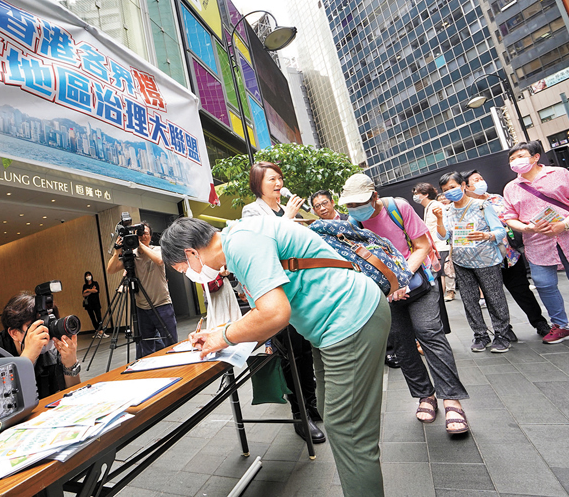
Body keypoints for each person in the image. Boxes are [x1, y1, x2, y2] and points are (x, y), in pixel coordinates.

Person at [160, 217, 390, 497]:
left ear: (191, 253)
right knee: (337, 420)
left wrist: (223, 336)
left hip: (350, 319)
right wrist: (221, 333)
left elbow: (274, 313)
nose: (189, 275)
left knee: (349, 432)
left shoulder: (242, 242)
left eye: (183, 270)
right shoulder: (240, 239)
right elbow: (269, 314)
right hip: (335, 324)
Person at [340, 173, 469, 435]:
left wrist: (400, 279)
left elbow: (421, 246)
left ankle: (452, 399)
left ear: (374, 196)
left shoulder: (398, 207)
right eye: (350, 206)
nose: (355, 210)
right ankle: (425, 395)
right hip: (385, 292)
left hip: (418, 281)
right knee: (401, 342)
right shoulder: (354, 223)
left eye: (360, 203)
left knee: (429, 333)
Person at [241, 162, 324, 445]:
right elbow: (264, 246)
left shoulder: (288, 210)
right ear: (257, 184)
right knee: (289, 353)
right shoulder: (252, 211)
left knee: (304, 351)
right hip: (274, 293)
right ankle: (300, 415)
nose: (278, 183)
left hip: (298, 290)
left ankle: (312, 406)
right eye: (271, 179)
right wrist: (286, 218)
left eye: (279, 178)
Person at [501, 140, 569, 345]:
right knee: (543, 284)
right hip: (537, 242)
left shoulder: (559, 174)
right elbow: (509, 217)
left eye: (520, 156)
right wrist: (527, 228)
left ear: (535, 157)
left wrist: (565, 224)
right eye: (512, 159)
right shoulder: (512, 187)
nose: (516, 162)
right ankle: (562, 326)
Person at [463, 170, 550, 337]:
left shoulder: (497, 198)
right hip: (485, 259)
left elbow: (511, 218)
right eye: (476, 180)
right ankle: (504, 330)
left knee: (522, 291)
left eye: (481, 178)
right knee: (493, 297)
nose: (481, 181)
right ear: (465, 187)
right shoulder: (466, 207)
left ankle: (540, 323)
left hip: (509, 256)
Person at [434, 172, 514, 352]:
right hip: (462, 262)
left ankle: (502, 334)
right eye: (445, 190)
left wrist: (487, 235)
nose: (449, 192)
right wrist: (439, 219)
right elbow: (444, 235)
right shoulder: (446, 210)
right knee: (469, 301)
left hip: (486, 260)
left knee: (495, 298)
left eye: (452, 187)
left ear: (463, 185)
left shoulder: (481, 206)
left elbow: (499, 231)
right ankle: (480, 334)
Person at [0, 292, 80, 398]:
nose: (44, 331)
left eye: (47, 323)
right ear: (14, 333)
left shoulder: (52, 350)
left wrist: (70, 364)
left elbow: (74, 393)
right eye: (37, 326)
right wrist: (28, 358)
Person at [107, 221, 178, 357]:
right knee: (145, 347)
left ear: (150, 236)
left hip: (162, 305)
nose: (142, 236)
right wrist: (117, 253)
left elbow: (160, 261)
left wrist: (138, 244)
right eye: (139, 234)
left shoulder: (157, 249)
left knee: (171, 343)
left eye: (144, 233)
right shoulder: (132, 256)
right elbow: (110, 270)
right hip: (142, 308)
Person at [413, 183, 454, 301]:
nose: (415, 196)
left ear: (425, 194)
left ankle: (448, 293)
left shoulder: (436, 205)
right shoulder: (428, 207)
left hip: (441, 244)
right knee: (440, 273)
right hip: (434, 245)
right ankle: (442, 295)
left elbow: (444, 225)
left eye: (417, 193)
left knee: (443, 272)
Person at [82, 271, 107, 338]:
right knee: (92, 318)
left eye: (89, 275)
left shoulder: (95, 283)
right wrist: (91, 290)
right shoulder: (85, 286)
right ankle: (97, 331)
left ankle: (101, 331)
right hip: (88, 304)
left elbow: (96, 291)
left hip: (96, 303)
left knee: (99, 317)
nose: (88, 277)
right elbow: (84, 294)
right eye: (87, 275)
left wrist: (88, 290)